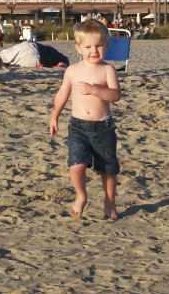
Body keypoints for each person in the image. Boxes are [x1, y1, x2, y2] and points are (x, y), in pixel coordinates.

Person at [49, 19, 121, 221]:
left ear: (107, 46)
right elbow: (62, 94)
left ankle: (109, 203)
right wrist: (54, 116)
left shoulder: (108, 70)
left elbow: (115, 95)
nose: (94, 51)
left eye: (99, 45)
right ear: (78, 48)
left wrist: (95, 90)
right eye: (88, 47)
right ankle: (81, 196)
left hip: (103, 128)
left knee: (107, 170)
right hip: (78, 127)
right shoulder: (72, 71)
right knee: (76, 164)